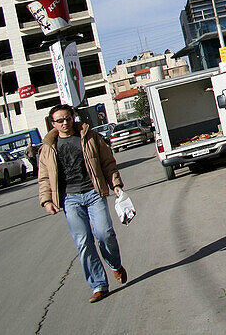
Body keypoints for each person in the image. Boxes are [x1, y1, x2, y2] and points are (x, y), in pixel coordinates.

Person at [38, 104, 128, 303]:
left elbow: (107, 161)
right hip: (69, 199)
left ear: (73, 118)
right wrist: (46, 200)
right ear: (52, 124)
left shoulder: (89, 136)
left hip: (93, 192)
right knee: (84, 242)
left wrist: (115, 184)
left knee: (104, 233)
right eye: (60, 120)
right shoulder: (48, 147)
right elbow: (44, 177)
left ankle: (115, 265)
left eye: (67, 118)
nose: (65, 123)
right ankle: (98, 285)